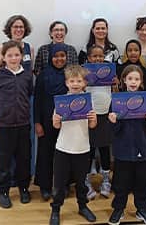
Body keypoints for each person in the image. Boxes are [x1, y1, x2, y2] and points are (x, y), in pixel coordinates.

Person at [107, 65, 146, 225]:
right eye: (130, 78)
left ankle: (142, 209)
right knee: (121, 181)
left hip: (142, 149)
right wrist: (113, 121)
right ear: (124, 80)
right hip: (122, 149)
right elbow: (113, 129)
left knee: (143, 182)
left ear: (141, 81)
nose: (133, 82)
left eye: (136, 79)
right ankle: (119, 208)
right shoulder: (117, 100)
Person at [0, 40, 33, 208]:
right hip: (3, 126)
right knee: (3, 159)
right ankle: (3, 190)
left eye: (17, 55)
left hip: (23, 125)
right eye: (10, 55)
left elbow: (28, 95)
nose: (14, 58)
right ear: (4, 58)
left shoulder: (27, 75)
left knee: (24, 158)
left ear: (22, 56)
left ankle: (24, 188)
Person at [49, 65, 97, 225]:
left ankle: (82, 206)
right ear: (66, 83)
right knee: (59, 182)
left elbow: (92, 126)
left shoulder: (88, 101)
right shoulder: (61, 102)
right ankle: (56, 209)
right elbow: (56, 126)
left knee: (81, 182)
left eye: (79, 80)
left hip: (82, 148)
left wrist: (93, 118)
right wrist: (55, 121)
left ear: (84, 83)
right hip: (63, 148)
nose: (75, 83)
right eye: (72, 80)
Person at [0, 15, 35, 184]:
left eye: (21, 27)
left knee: (24, 146)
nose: (18, 29)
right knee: (4, 147)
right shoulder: (0, 48)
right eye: (15, 26)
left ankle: (21, 180)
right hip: (6, 104)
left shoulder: (30, 48)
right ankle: (3, 181)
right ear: (9, 29)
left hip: (25, 102)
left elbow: (29, 76)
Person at [34, 43, 69, 201]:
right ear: (50, 58)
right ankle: (45, 187)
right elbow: (37, 101)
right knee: (45, 154)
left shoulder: (70, 74)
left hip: (67, 123)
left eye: (62, 56)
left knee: (64, 155)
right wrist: (37, 123)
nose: (59, 59)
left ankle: (64, 185)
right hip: (46, 123)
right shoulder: (43, 75)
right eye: (56, 56)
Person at [84, 45, 113, 200]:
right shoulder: (84, 72)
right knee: (89, 150)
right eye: (94, 56)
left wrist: (115, 83)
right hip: (90, 116)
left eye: (100, 56)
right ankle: (87, 182)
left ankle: (106, 180)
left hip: (105, 115)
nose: (98, 59)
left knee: (105, 149)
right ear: (88, 58)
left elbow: (114, 92)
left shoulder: (109, 71)